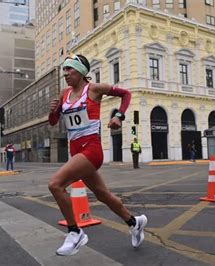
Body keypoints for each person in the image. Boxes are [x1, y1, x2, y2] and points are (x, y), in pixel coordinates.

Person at [48, 54, 147, 256]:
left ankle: (75, 232)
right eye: (64, 70)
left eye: (70, 69)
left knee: (55, 185)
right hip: (75, 152)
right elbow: (53, 122)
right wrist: (52, 112)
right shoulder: (63, 93)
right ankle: (134, 222)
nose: (65, 74)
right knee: (103, 195)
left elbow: (126, 94)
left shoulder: (94, 89)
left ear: (82, 71)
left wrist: (119, 116)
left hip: (91, 150)